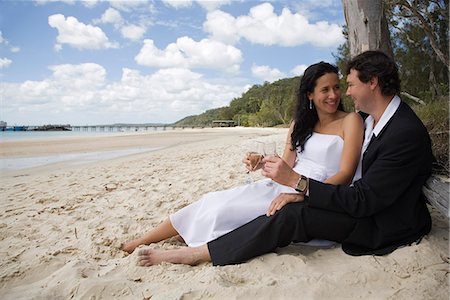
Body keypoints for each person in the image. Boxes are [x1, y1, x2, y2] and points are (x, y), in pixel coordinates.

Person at [136, 50, 433, 267]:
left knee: (286, 214)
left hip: (382, 225)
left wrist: (300, 188)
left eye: (350, 84)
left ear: (374, 83)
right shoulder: (376, 121)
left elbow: (363, 199)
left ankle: (198, 253)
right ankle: (185, 241)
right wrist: (281, 173)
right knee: (227, 201)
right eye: (331, 88)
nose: (346, 93)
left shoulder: (402, 132)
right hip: (349, 202)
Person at [121, 62, 364, 254]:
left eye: (336, 87)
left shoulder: (350, 121)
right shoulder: (300, 124)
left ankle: (188, 237)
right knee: (212, 200)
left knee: (225, 212)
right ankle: (142, 240)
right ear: (310, 94)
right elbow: (286, 165)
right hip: (283, 186)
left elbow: (346, 173)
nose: (333, 95)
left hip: (317, 195)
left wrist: (301, 193)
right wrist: (262, 162)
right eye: (325, 89)